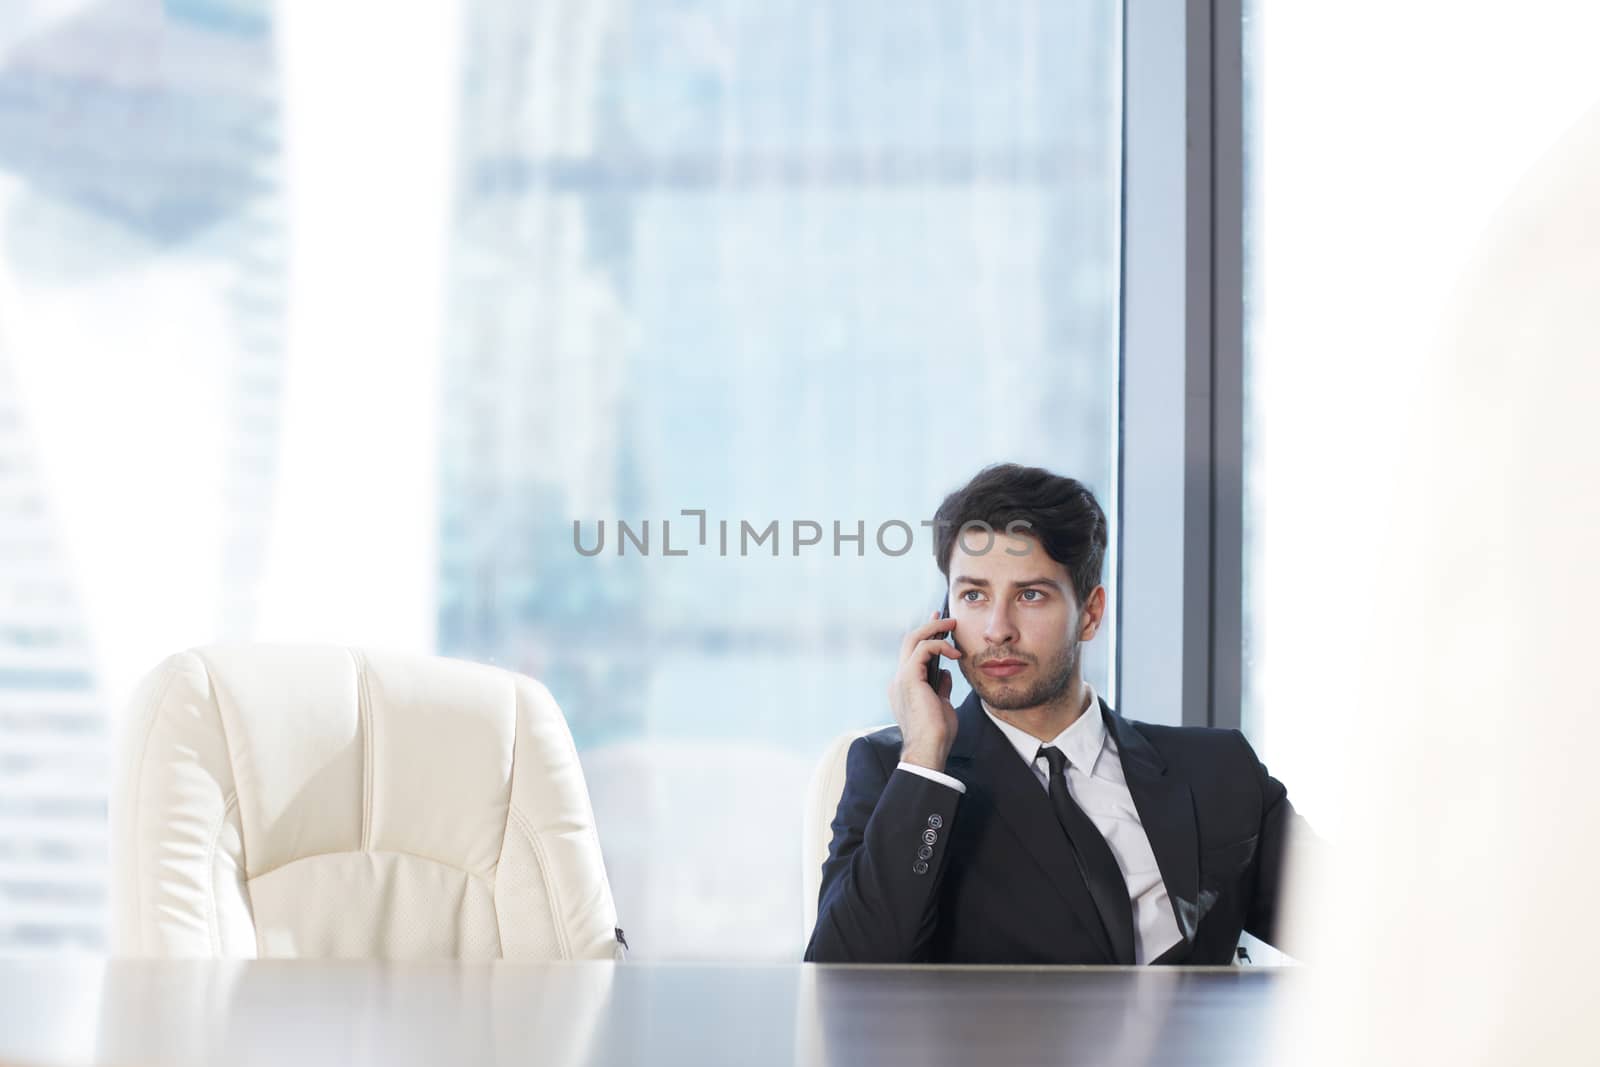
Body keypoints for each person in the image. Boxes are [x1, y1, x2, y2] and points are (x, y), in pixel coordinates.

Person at [804, 463, 1311, 965]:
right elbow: (840, 978)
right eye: (974, 595)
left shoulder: (1218, 772)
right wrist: (924, 758)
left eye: (1030, 595)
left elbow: (1369, 934)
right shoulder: (899, 774)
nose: (997, 629)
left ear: (1089, 613)